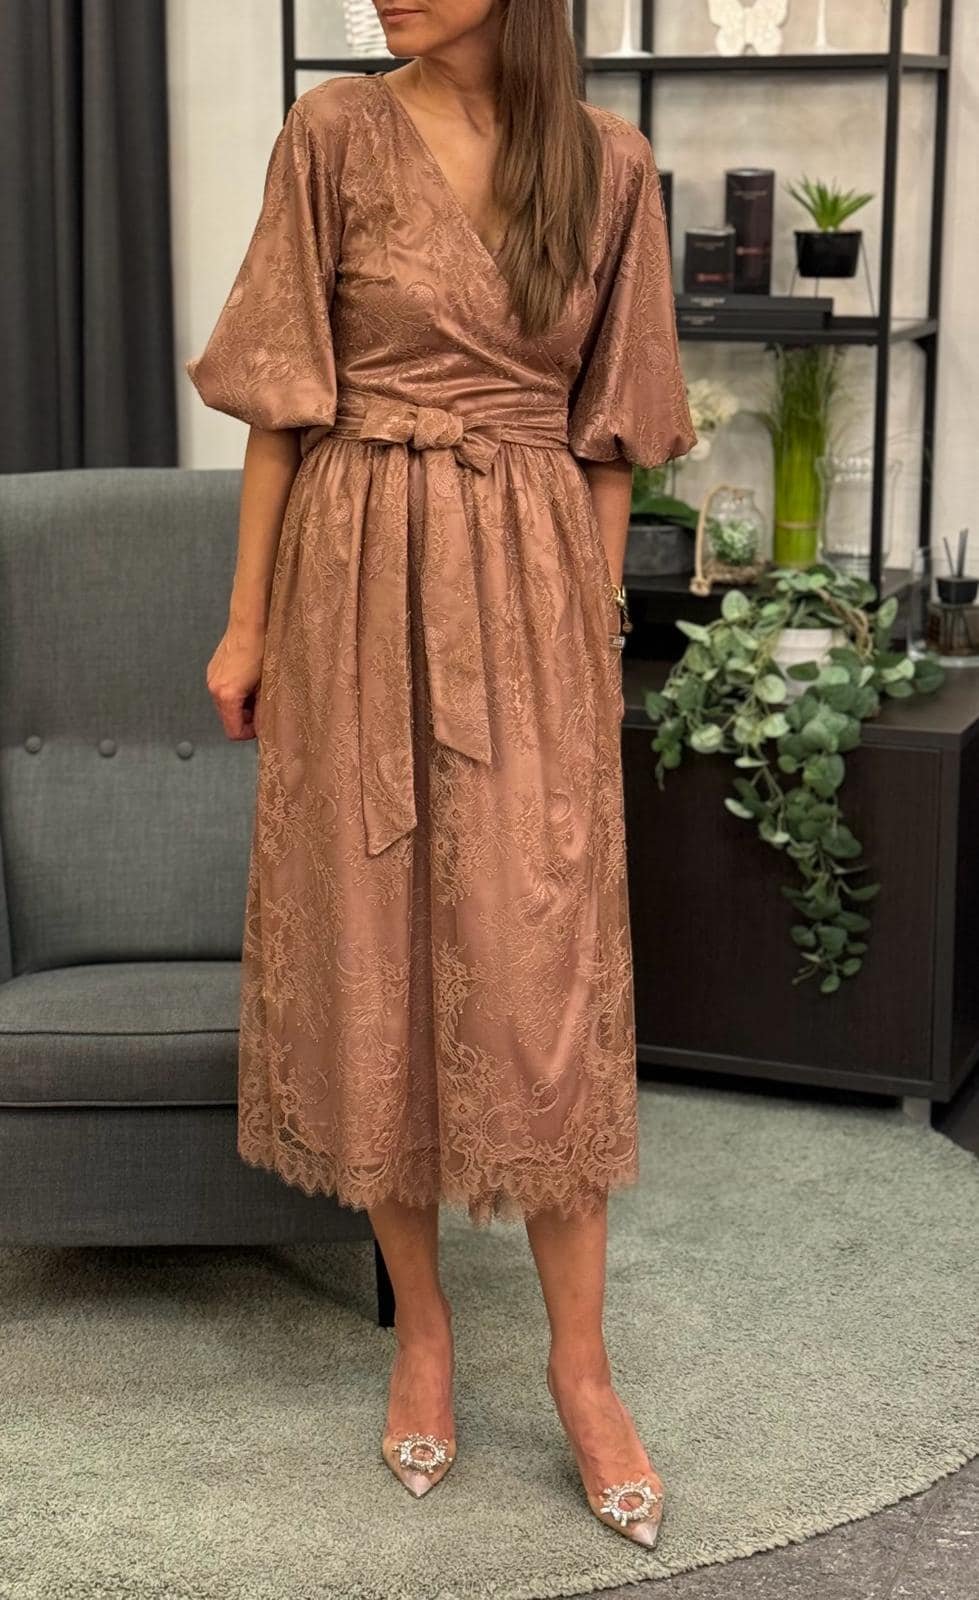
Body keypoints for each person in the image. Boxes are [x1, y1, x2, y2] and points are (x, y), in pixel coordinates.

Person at [185, 0, 696, 1548]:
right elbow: (284, 406)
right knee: (374, 956)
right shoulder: (335, 134)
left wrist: (585, 626)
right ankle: (423, 1330)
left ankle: (582, 1369)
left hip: (526, 593)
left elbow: (611, 442)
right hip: (354, 582)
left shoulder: (610, 167)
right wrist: (246, 624)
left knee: (543, 979)